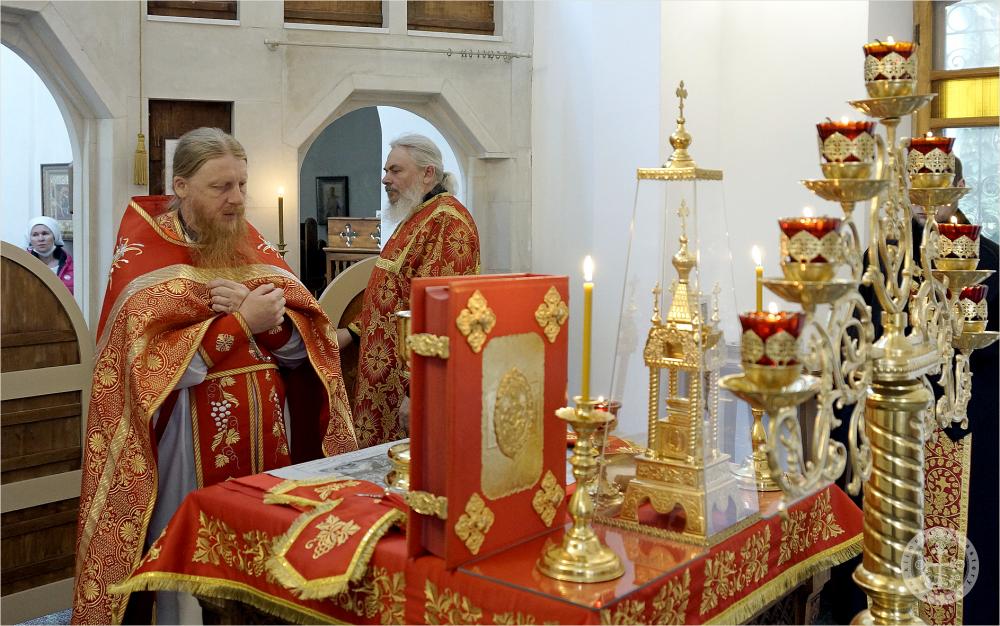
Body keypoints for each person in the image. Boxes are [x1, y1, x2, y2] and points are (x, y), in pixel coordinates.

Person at [71, 128, 358, 625]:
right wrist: (238, 323)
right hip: (183, 448)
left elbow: (307, 353)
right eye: (221, 187)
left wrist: (270, 324)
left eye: (242, 185)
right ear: (181, 186)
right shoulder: (146, 258)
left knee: (265, 568)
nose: (238, 199)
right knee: (191, 584)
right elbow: (142, 373)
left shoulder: (252, 248)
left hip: (270, 441)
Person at [828, 157, 998, 624]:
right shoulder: (883, 261)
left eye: (936, 188)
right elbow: (855, 341)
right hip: (891, 429)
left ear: (958, 188)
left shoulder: (990, 261)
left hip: (969, 433)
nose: (924, 202)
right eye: (914, 188)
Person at [337, 134, 480, 447]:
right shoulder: (418, 216)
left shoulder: (448, 223)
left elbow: (439, 316)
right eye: (386, 170)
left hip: (407, 390)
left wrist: (417, 393)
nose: (385, 179)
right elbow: (394, 296)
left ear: (428, 173)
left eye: (396, 170)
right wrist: (352, 331)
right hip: (384, 384)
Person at [25, 215, 74, 293]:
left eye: (45, 234)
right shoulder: (24, 265)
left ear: (54, 236)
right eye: (35, 235)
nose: (40, 239)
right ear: (30, 239)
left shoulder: (71, 266)